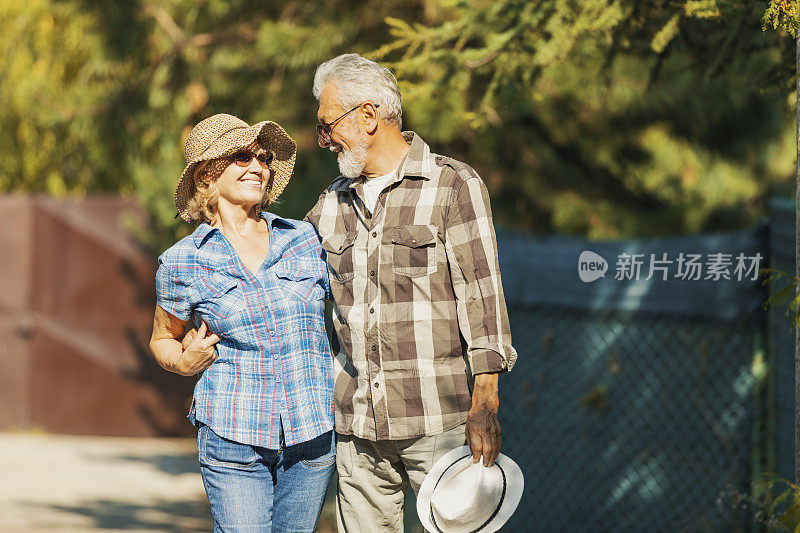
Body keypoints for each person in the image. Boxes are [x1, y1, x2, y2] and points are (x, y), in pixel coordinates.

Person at [305, 53, 518, 532]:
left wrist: (485, 405)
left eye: (327, 125)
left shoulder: (453, 186)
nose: (323, 140)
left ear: (368, 115)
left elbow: (483, 297)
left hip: (438, 422)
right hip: (356, 426)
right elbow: (289, 285)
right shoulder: (330, 204)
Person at [148, 113, 335, 533]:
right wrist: (182, 361)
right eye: (240, 157)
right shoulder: (183, 261)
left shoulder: (303, 239)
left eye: (263, 157)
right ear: (206, 178)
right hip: (233, 436)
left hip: (312, 434)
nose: (258, 166)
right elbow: (162, 338)